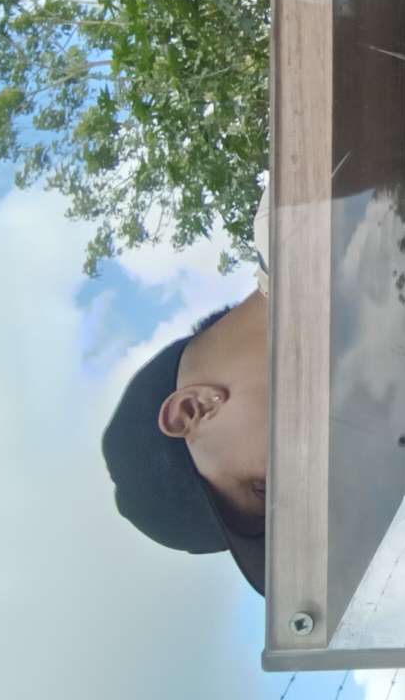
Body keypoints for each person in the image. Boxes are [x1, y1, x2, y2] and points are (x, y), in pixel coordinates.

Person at [100, 191, 271, 593]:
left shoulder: (308, 209)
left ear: (193, 409)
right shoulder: (402, 397)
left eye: (262, 488)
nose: (309, 487)